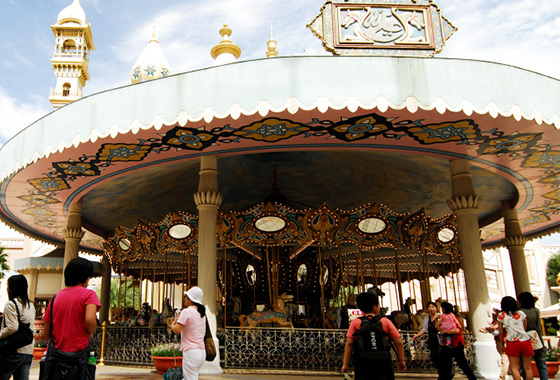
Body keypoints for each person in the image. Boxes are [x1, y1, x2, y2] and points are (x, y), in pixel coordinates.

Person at [43, 257, 101, 379]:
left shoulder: (56, 298)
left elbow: (46, 331)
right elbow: (90, 320)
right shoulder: (89, 294)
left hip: (55, 356)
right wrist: (90, 332)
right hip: (78, 354)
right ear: (86, 277)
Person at [342, 291, 406, 380]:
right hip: (383, 362)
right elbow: (398, 342)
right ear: (374, 306)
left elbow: (349, 343)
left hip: (363, 362)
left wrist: (345, 364)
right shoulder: (385, 321)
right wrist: (401, 360)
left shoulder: (355, 322)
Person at [0, 275, 36, 380]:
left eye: (8, 285)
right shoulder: (30, 305)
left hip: (13, 351)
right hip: (27, 352)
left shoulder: (11, 304)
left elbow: (12, 327)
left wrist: (1, 334)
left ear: (12, 287)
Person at [170, 286, 206, 380]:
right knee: (189, 377)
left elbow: (176, 330)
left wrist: (172, 324)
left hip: (191, 352)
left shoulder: (186, 312)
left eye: (187, 297)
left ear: (191, 300)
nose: (185, 299)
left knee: (190, 378)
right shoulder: (201, 313)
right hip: (201, 351)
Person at [437, 301, 477, 380]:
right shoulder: (444, 318)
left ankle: (472, 378)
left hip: (456, 343)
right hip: (447, 343)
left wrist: (446, 331)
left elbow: (458, 330)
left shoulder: (454, 317)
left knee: (462, 362)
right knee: (446, 362)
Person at [497, 296, 533, 380]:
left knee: (514, 367)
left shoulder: (501, 316)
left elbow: (501, 332)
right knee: (528, 367)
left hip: (512, 341)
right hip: (525, 340)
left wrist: (502, 345)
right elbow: (524, 327)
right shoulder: (521, 313)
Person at [412, 301, 451, 380]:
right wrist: (417, 335)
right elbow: (425, 329)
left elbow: (442, 328)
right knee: (434, 358)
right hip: (432, 340)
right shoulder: (427, 318)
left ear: (436, 308)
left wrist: (437, 321)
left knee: (441, 358)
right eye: (429, 307)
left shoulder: (440, 317)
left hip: (441, 340)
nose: (431, 309)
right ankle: (442, 374)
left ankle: (444, 375)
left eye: (433, 307)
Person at [518, 292, 547, 380]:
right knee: (542, 366)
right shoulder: (536, 311)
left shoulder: (520, 312)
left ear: (521, 301)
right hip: (538, 340)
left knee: (526, 367)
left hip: (526, 341)